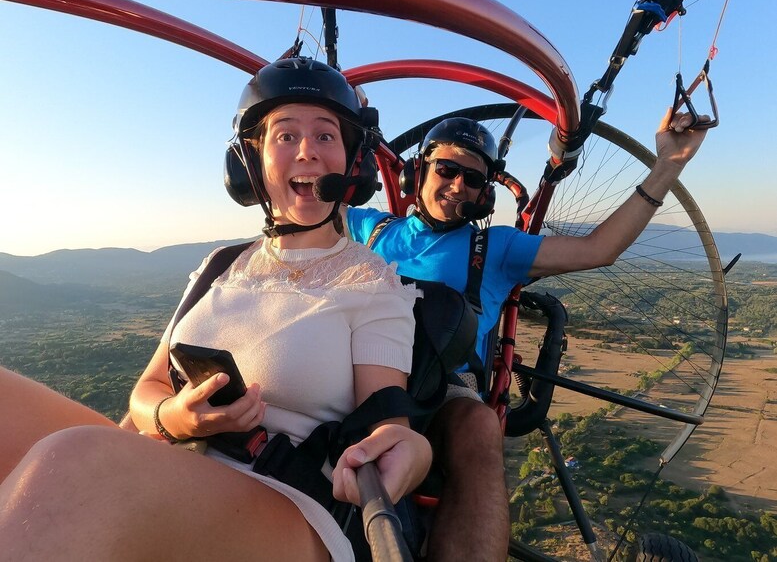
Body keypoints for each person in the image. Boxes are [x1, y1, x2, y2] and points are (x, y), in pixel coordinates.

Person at [0, 57, 431, 562]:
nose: (308, 152)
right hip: (173, 462)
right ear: (251, 163)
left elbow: (389, 422)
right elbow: (149, 389)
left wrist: (412, 452)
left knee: (77, 462)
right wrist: (175, 418)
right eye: (286, 136)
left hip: (291, 503)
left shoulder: (372, 281)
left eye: (326, 136)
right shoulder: (220, 266)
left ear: (351, 162)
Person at [345, 111, 709, 560]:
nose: (459, 185)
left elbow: (599, 249)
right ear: (417, 174)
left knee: (479, 424)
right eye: (447, 169)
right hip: (356, 369)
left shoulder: (496, 247)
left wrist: (668, 166)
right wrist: (343, 119)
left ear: (484, 195)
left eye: (473, 180)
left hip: (443, 388)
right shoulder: (369, 228)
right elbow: (302, 213)